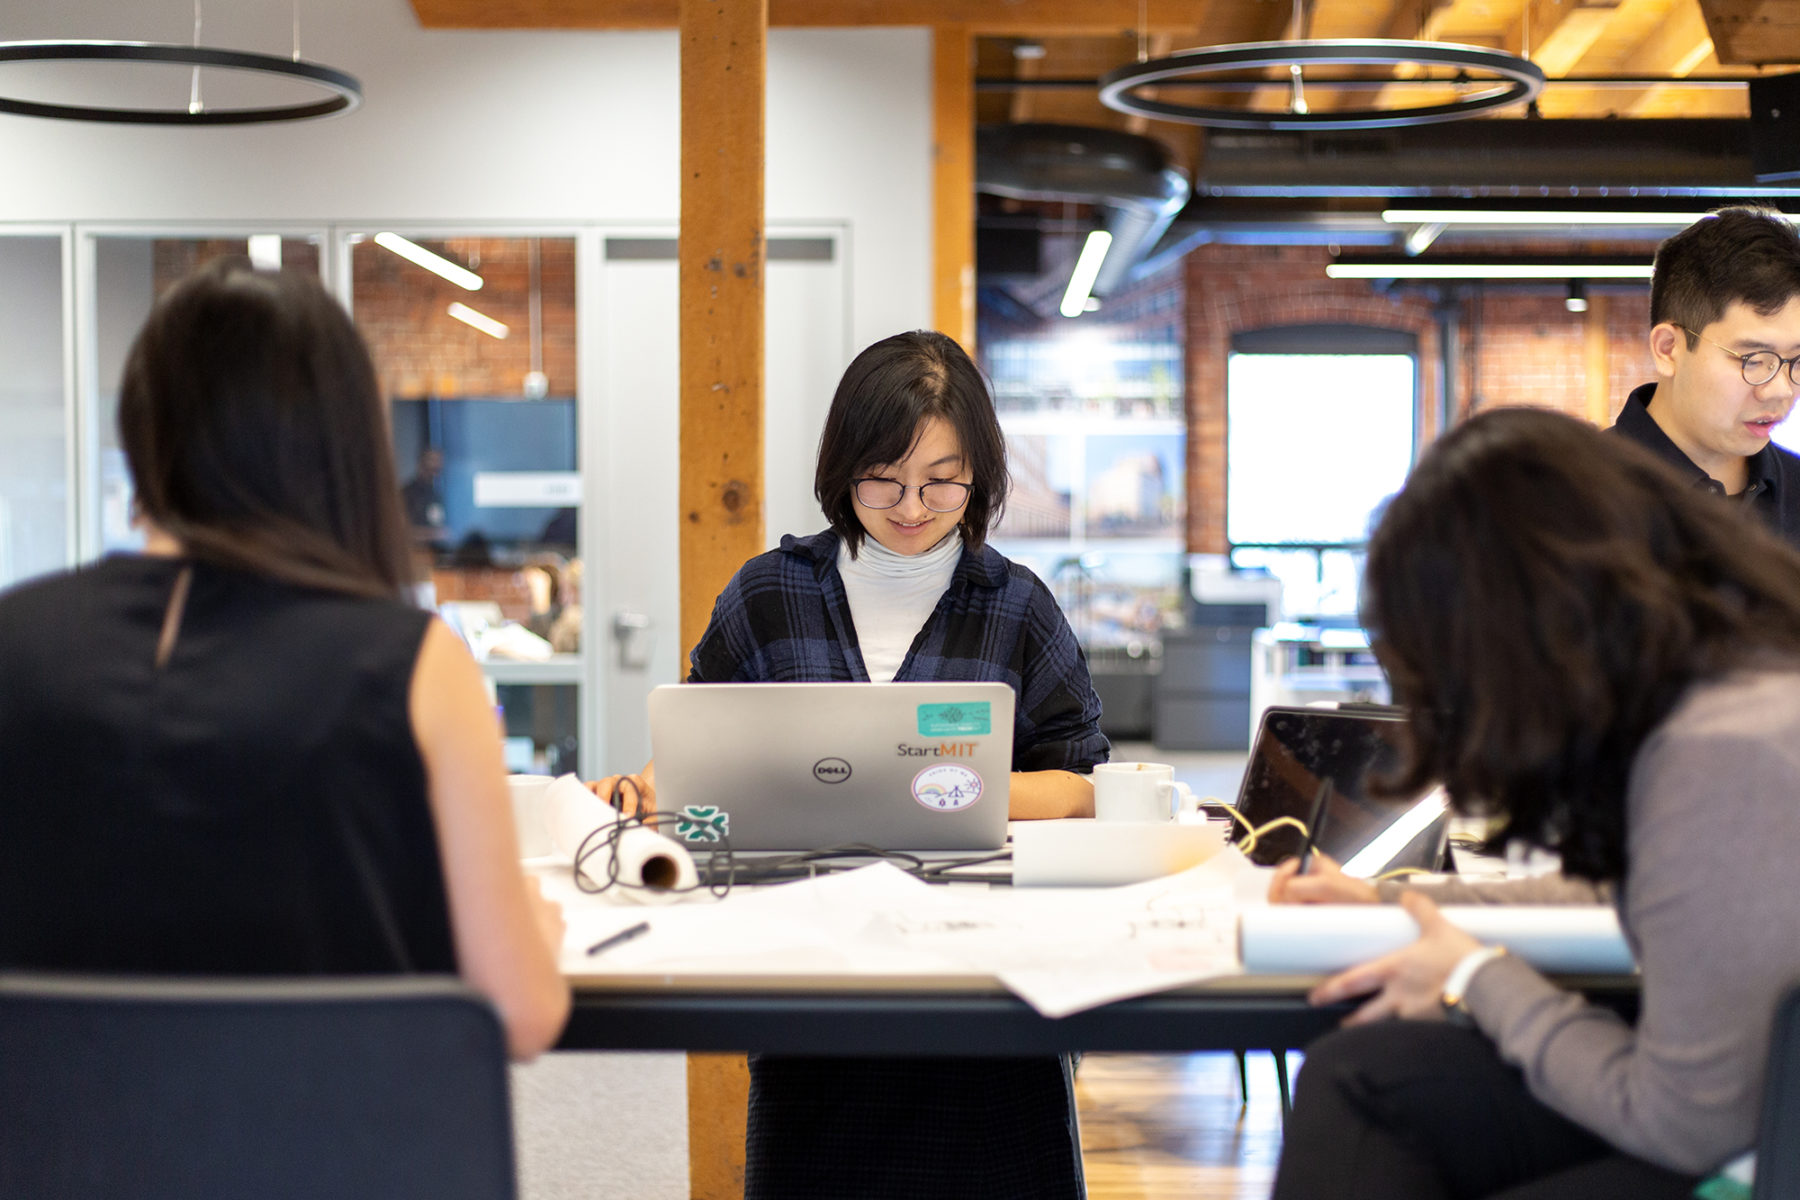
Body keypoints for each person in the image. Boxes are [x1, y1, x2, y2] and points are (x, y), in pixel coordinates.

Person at [0, 259, 570, 1061]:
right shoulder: (413, 663)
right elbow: (519, 1012)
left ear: (143, 428)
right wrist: (534, 929)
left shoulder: (15, 637)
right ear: (339, 446)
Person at [594, 329, 1109, 1199]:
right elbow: (697, 742)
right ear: (843, 468)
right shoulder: (770, 594)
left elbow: (1082, 783)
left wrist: (952, 794)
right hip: (810, 987)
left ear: (979, 472)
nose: (912, 505)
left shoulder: (1016, 606)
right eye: (884, 477)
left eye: (942, 478)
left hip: (986, 993)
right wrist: (643, 789)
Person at [1266, 406, 1800, 1199]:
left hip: (1744, 1150)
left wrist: (1477, 977)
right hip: (1746, 1120)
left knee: (1370, 1085)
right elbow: (1649, 889)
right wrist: (1396, 900)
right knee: (1364, 1076)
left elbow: (1684, 1122)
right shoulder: (1728, 683)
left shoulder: (1717, 751)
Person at [1609, 205, 1800, 547]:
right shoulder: (1569, 503)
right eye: (1754, 360)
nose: (1780, 391)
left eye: (1797, 361)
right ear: (1668, 349)